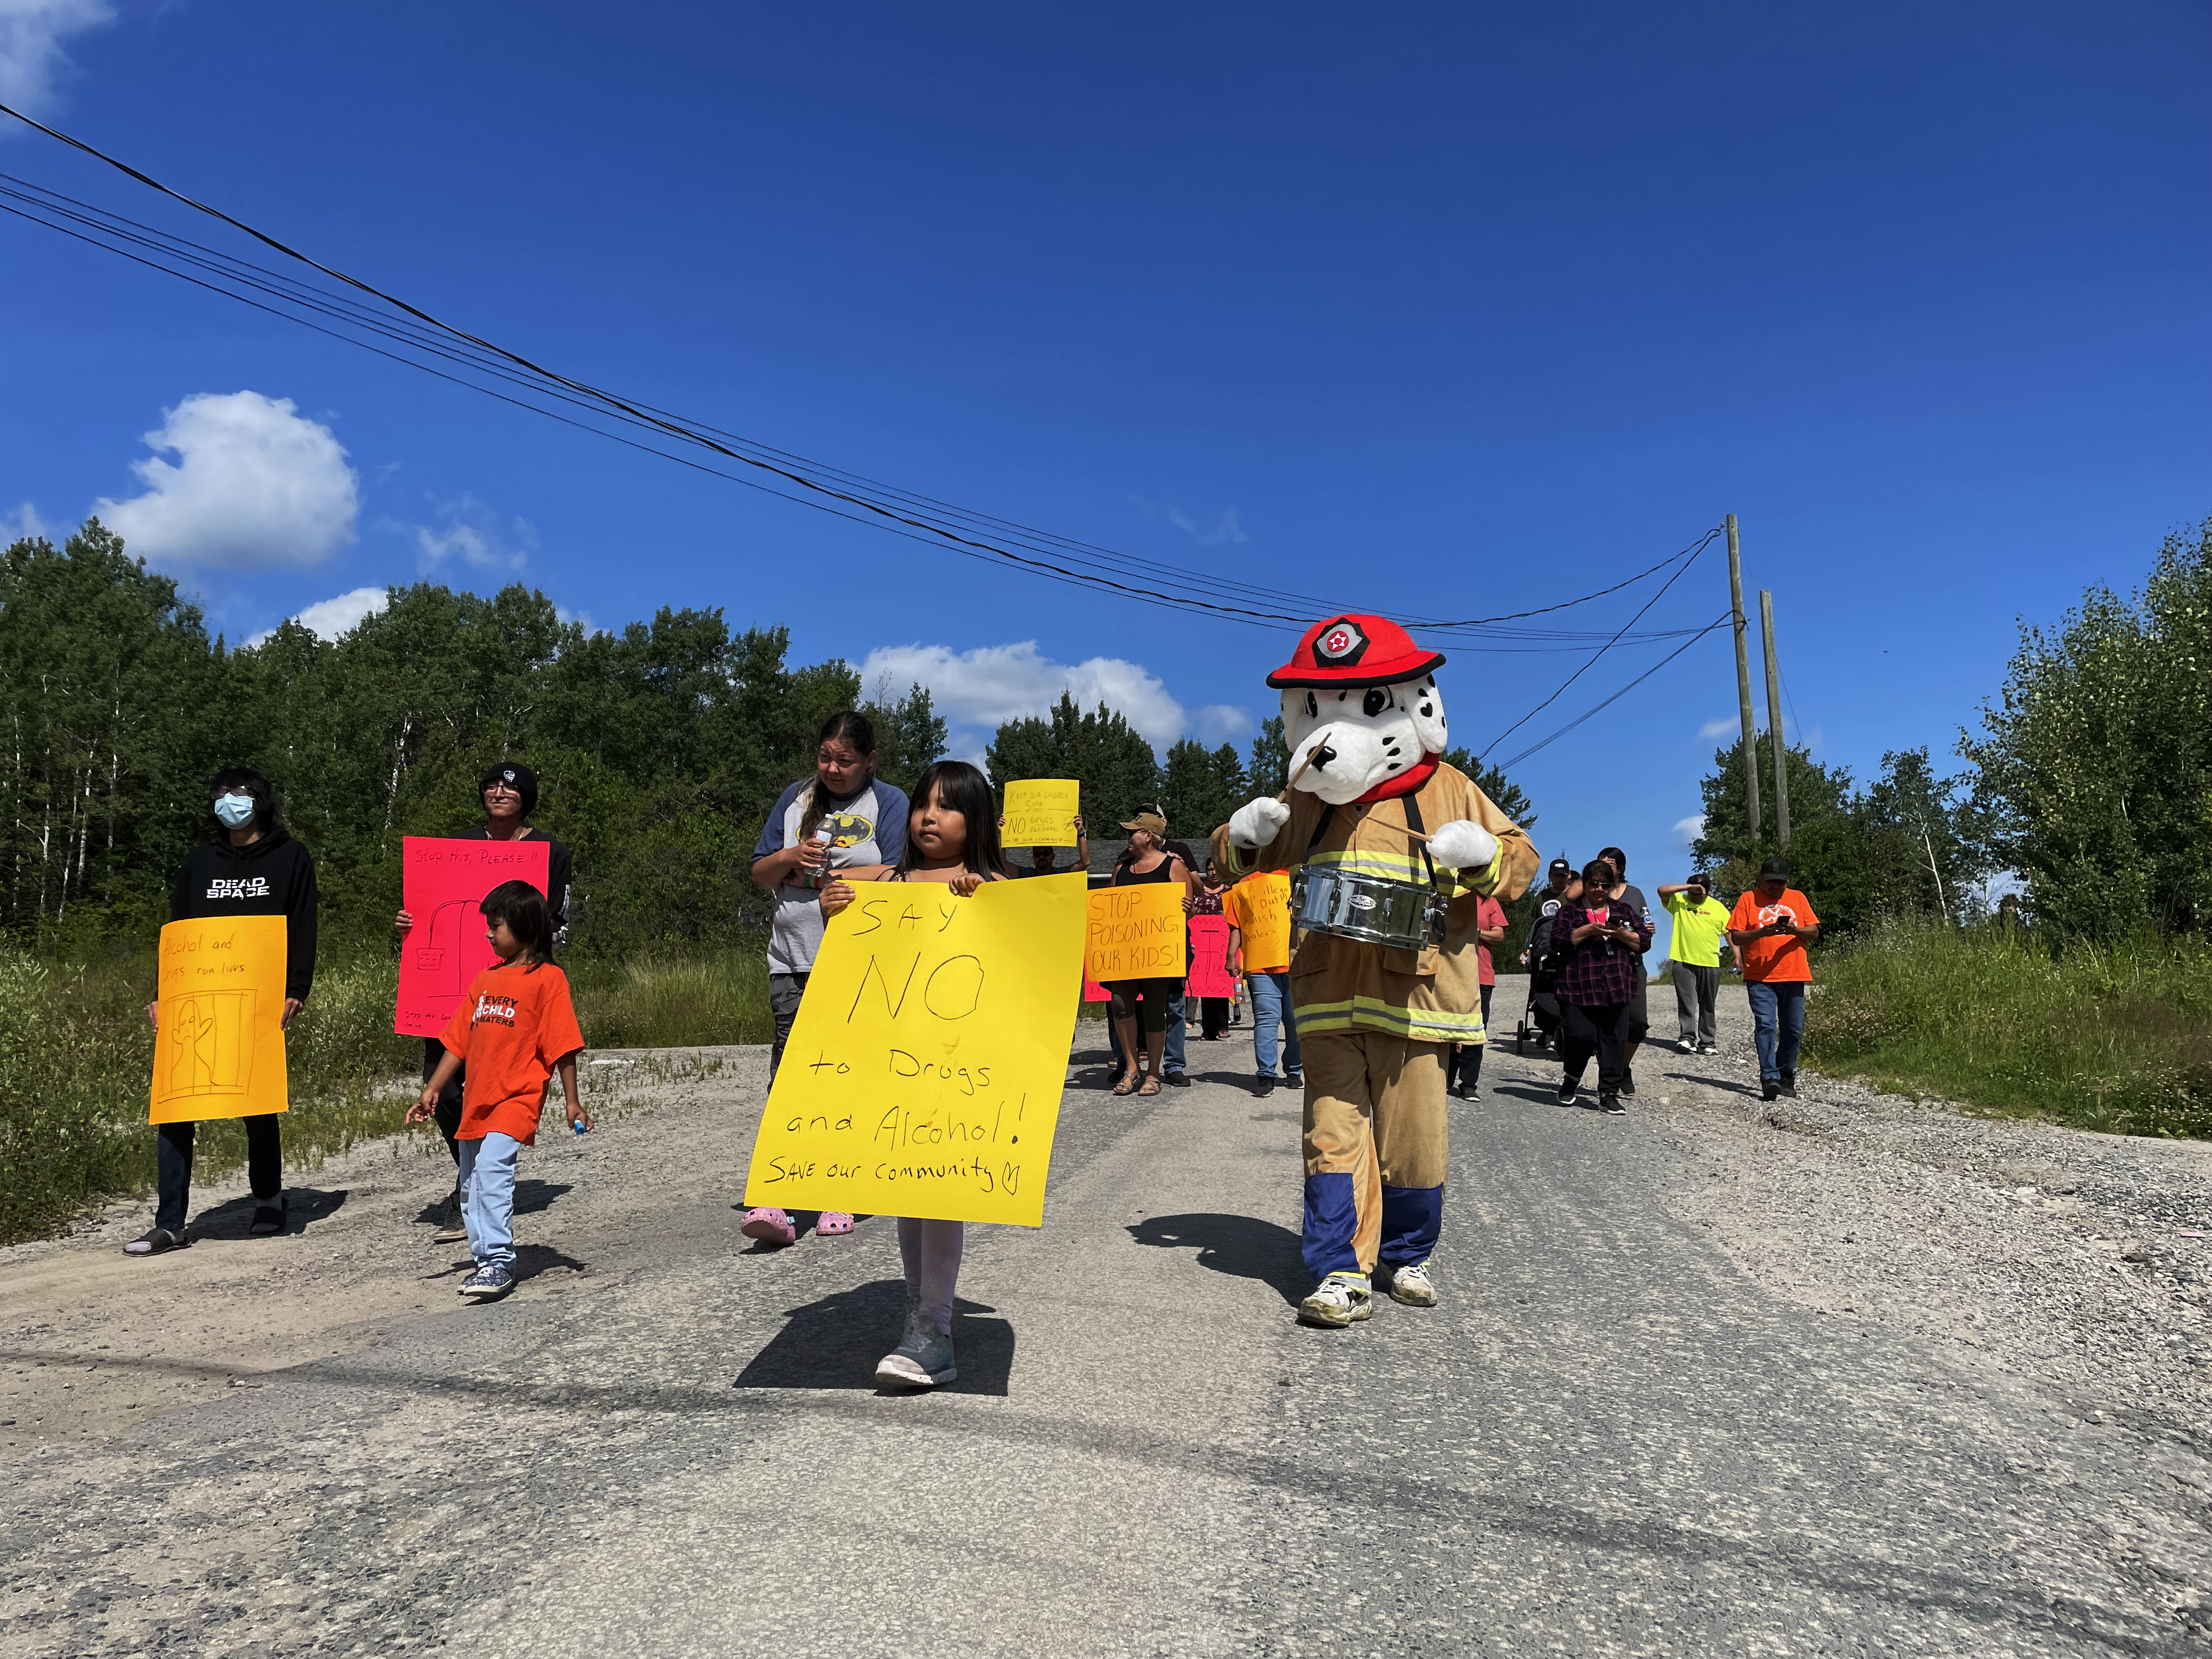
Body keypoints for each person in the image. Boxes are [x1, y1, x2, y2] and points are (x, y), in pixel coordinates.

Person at [820, 759, 1005, 1389]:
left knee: (939, 1191)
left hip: (957, 1066)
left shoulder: (989, 884)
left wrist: (990, 906)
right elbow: (852, 955)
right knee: (906, 1188)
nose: (931, 814)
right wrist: (833, 908)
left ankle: (935, 1326)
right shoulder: (887, 881)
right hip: (895, 1060)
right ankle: (918, 1311)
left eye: (949, 805)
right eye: (924, 802)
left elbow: (1017, 961)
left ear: (976, 819)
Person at [127, 769, 319, 1257]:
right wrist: (161, 992)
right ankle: (170, 1223)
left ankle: (269, 1200)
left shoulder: (290, 857)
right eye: (220, 794)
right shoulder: (199, 862)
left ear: (262, 802)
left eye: (241, 794)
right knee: (176, 1106)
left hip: (258, 996)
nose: (229, 801)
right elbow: (178, 930)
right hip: (193, 993)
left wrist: (297, 987)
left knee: (256, 1101)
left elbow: (302, 924)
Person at [744, 712, 910, 1247]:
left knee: (849, 1075)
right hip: (792, 955)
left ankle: (844, 1184)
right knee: (790, 1074)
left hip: (860, 961)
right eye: (825, 757)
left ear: (870, 760)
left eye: (845, 760)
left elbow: (898, 873)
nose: (833, 769)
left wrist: (819, 876)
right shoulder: (795, 798)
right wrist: (789, 858)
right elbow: (760, 873)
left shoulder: (890, 802)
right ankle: (779, 1189)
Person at [395, 760, 573, 1244]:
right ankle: (470, 1176)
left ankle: (476, 1189)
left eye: (511, 787)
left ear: (527, 798)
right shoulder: (456, 843)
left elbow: (553, 914)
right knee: (446, 1088)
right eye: (492, 785)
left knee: (503, 1082)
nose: (500, 792)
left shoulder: (549, 850)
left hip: (516, 985)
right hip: (452, 988)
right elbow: (432, 904)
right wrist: (411, 925)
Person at [407, 881, 590, 1301]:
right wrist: (431, 1090)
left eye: (496, 926)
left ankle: (498, 1262)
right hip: (478, 1100)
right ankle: (484, 1258)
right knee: (470, 1186)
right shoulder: (485, 980)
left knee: (492, 1176)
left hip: (517, 1098)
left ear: (524, 926)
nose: (489, 934)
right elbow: (457, 1042)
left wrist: (573, 1101)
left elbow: (563, 1044)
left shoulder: (548, 980)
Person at [1102, 811, 1197, 1096]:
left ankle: (1153, 1073)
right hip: (1125, 953)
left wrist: (1186, 909)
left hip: (1158, 953)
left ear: (1148, 836)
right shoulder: (1122, 868)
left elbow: (1189, 912)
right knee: (1120, 1004)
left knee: (1156, 1010)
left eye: (1132, 832)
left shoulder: (1173, 866)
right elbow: (1108, 905)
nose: (1127, 837)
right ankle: (1132, 1068)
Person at [1551, 858, 1653, 1115]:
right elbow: (1558, 942)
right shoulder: (1569, 912)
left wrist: (1621, 935)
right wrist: (1587, 930)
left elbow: (1643, 942)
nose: (1599, 890)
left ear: (1612, 887)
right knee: (1581, 1037)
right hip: (1578, 987)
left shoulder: (1624, 911)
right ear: (1584, 885)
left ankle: (1608, 1093)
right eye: (1594, 884)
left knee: (1614, 1041)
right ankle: (1571, 1080)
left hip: (1616, 987)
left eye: (1605, 886)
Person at [1728, 855, 1821, 1102]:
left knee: (1793, 1030)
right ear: (1761, 878)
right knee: (1767, 1025)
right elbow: (1736, 937)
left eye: (1781, 882)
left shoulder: (1798, 898)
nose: (1776, 886)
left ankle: (1786, 1076)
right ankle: (1769, 1077)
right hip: (1760, 977)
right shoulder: (1748, 900)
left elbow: (1814, 931)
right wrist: (1762, 932)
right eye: (1771, 881)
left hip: (1794, 974)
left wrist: (1794, 930)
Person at [1223, 865, 1300, 1096]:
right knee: (1267, 1019)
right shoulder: (1244, 884)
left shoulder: (1297, 877)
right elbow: (1237, 925)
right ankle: (1266, 1074)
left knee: (1295, 1022)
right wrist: (1231, 955)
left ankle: (1294, 1070)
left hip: (1296, 963)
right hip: (1260, 965)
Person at [1595, 846, 1654, 1096]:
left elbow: (1646, 924)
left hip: (1632, 964)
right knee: (1603, 1025)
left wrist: (1646, 930)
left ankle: (1623, 1067)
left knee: (1638, 1024)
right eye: (1600, 865)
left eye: (1610, 865)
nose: (1605, 870)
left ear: (1621, 868)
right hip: (1599, 966)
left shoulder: (1635, 894)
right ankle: (1609, 1076)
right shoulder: (1591, 895)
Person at [1656, 872, 1731, 1054]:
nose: (1695, 897)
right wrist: (1689, 888)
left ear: (1707, 892)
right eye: (1693, 893)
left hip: (1710, 962)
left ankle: (1708, 1042)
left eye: (1699, 893)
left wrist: (1738, 956)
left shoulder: (1718, 907)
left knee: (1708, 1004)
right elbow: (1661, 890)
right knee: (1687, 1002)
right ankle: (1687, 1038)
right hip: (1683, 960)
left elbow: (1729, 932)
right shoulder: (1680, 902)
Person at [1447, 891, 1510, 1099]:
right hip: (1452, 972)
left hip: (1481, 976)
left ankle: (1469, 1084)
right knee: (1447, 1027)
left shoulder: (1489, 901)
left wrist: (1476, 932)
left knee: (1476, 1031)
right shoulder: (1452, 894)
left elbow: (1499, 935)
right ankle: (1445, 1079)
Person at [1520, 857, 1577, 1053]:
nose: (1559, 879)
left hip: (1566, 949)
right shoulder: (1541, 896)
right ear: (1550, 876)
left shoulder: (1572, 897)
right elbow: (1535, 925)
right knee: (1541, 984)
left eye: (1563, 876)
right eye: (1556, 875)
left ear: (1568, 876)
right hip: (1543, 950)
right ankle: (1547, 1028)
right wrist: (1527, 949)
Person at [1190, 858, 1233, 1041]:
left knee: (1222, 984)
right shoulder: (1197, 891)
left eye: (1216, 870)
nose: (1213, 873)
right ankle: (1208, 1029)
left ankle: (1223, 1026)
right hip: (1202, 945)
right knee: (1205, 987)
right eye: (1209, 870)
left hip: (1223, 944)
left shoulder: (1229, 891)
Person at [1007, 813, 1088, 877]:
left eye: (1046, 853)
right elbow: (1003, 864)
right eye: (1037, 854)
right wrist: (1000, 835)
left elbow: (1085, 863)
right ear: (1033, 858)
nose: (1042, 857)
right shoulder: (1027, 875)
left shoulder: (1061, 875)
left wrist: (1081, 833)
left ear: (1053, 856)